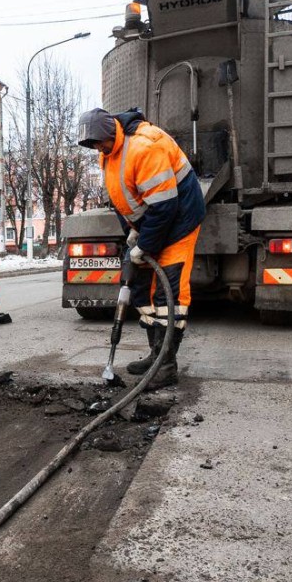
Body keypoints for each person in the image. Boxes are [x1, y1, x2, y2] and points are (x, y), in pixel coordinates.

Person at [76, 107, 205, 389]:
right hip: (152, 224)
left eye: (99, 142)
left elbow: (164, 206)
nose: (97, 148)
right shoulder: (108, 154)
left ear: (111, 133)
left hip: (179, 221)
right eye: (93, 145)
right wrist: (133, 232)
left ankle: (167, 365)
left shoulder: (145, 148)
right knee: (140, 288)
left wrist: (144, 244)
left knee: (167, 293)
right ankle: (155, 354)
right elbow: (124, 198)